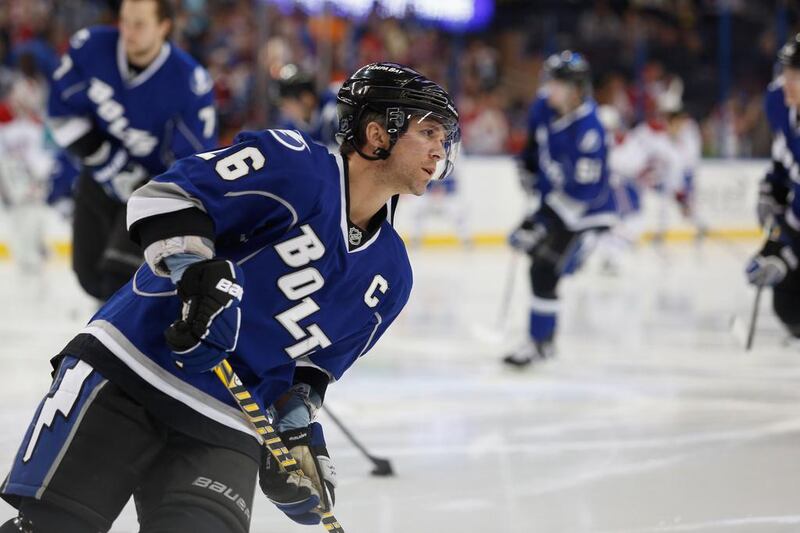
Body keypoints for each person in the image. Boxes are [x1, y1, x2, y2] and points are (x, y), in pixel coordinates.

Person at [0, 62, 460, 533]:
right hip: (132, 365)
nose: (439, 148)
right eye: (427, 132)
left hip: (228, 419)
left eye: (443, 138)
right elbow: (164, 199)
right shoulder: (296, 166)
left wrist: (298, 433)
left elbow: (307, 375)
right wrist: (198, 277)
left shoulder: (391, 277)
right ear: (377, 132)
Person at [47, 0, 217, 301]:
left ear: (164, 27)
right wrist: (108, 161)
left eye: (139, 24)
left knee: (120, 280)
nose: (128, 32)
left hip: (150, 193)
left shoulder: (189, 83)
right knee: (87, 276)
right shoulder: (91, 47)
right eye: (125, 21)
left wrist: (152, 192)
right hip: (98, 176)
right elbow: (61, 113)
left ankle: (116, 342)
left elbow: (194, 165)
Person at [503, 51, 616, 367]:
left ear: (576, 88)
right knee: (541, 268)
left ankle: (540, 342)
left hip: (588, 214)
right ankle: (543, 342)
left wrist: (539, 221)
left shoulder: (590, 131)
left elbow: (583, 193)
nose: (548, 88)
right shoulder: (544, 105)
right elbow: (534, 142)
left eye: (556, 83)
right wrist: (527, 165)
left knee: (545, 268)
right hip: (556, 204)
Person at [746, 34, 800, 338]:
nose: (787, 82)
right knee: (787, 306)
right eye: (786, 72)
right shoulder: (778, 101)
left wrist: (783, 252)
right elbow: (784, 160)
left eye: (797, 75)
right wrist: (772, 189)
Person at [273, 64, 339, 147]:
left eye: (288, 103)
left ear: (307, 99)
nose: (284, 109)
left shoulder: (335, 107)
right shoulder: (290, 128)